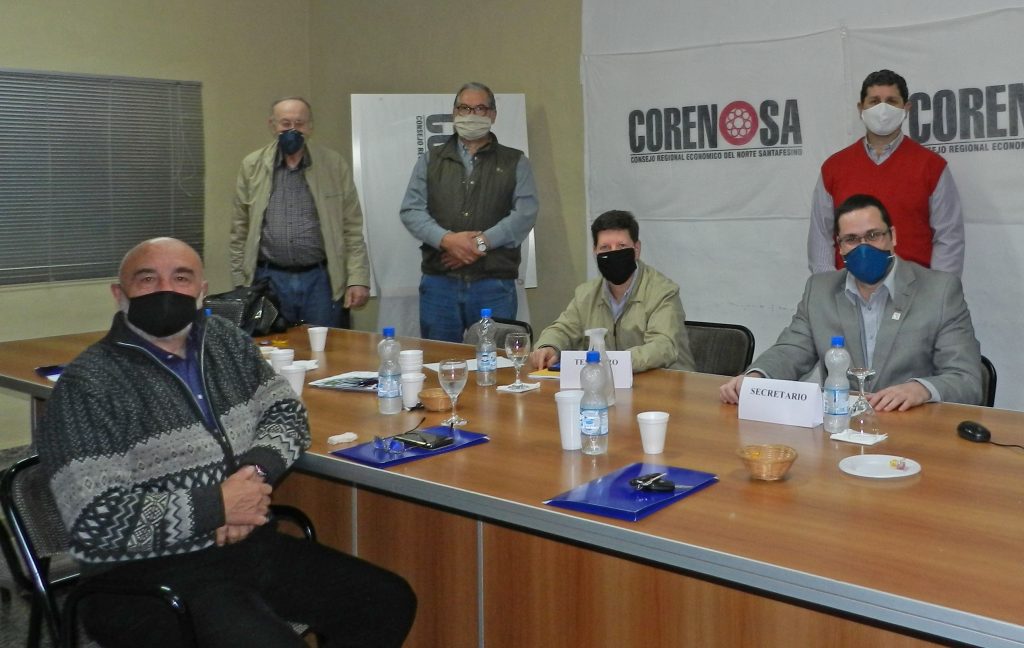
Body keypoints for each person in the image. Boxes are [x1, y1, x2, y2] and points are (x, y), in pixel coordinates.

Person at [38, 238, 415, 647]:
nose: (166, 290)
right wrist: (217, 506)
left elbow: (287, 413)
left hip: (245, 547)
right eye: (147, 279)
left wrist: (251, 478)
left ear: (202, 290)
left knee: (385, 601)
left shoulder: (224, 342)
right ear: (119, 294)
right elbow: (95, 521)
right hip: (143, 576)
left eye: (181, 278)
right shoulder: (88, 385)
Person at [723, 194, 982, 411]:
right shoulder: (820, 290)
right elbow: (791, 350)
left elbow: (967, 380)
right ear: (840, 247)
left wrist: (921, 390)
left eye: (873, 235)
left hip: (914, 430)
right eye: (851, 240)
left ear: (892, 236)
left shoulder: (940, 291)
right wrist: (756, 377)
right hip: (841, 427)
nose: (863, 247)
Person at [399, 81, 539, 342]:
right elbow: (411, 210)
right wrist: (447, 241)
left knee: (495, 361)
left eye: (480, 109)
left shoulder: (515, 161)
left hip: (493, 285)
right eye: (465, 108)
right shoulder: (430, 160)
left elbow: (525, 214)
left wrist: (479, 244)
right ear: (454, 113)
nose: (471, 115)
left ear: (492, 115)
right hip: (439, 285)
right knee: (439, 359)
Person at [808, 69, 965, 276]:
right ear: (861, 108)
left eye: (891, 101)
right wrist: (829, 287)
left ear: (906, 108)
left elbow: (949, 238)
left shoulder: (932, 167)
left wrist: (939, 289)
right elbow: (821, 236)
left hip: (914, 288)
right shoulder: (833, 168)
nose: (882, 109)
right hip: (848, 288)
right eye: (874, 101)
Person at [231, 96, 370, 328]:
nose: (292, 130)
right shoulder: (252, 166)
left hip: (321, 281)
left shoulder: (334, 165)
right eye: (285, 123)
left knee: (326, 345)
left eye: (300, 123)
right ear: (272, 125)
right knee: (271, 346)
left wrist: (357, 279)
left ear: (310, 126)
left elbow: (352, 228)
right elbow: (239, 229)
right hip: (269, 279)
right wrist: (240, 282)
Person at [530, 210, 695, 373]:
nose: (614, 253)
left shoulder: (663, 292)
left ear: (636, 249)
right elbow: (563, 329)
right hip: (611, 382)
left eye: (621, 246)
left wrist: (613, 362)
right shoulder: (586, 294)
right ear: (595, 252)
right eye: (605, 247)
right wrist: (548, 346)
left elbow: (663, 346)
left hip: (667, 382)